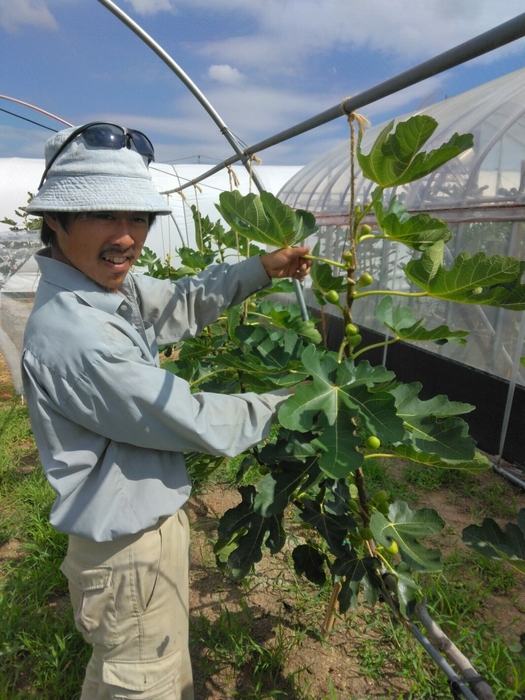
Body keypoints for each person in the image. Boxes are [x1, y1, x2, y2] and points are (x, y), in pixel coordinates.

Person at [22, 122, 311, 700]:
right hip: (125, 553)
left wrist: (261, 268)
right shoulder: (76, 334)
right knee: (140, 683)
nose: (127, 237)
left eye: (139, 218)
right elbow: (188, 416)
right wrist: (294, 405)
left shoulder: (105, 288)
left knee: (140, 674)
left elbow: (177, 301)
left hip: (145, 531)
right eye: (107, 216)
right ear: (55, 219)